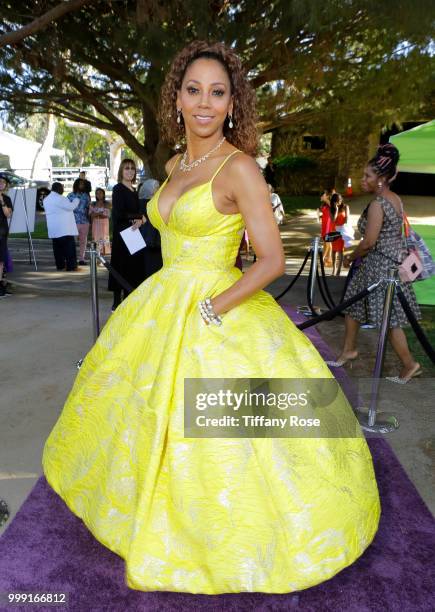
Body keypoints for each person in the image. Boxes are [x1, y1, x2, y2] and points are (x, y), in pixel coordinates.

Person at [42, 41, 380, 595]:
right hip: (158, 304)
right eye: (193, 90)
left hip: (217, 310)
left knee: (230, 439)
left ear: (232, 103)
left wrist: (214, 307)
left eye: (217, 93)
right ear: (176, 97)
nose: (204, 103)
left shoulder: (240, 167)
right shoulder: (176, 163)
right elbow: (165, 233)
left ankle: (220, 539)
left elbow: (271, 260)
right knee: (136, 417)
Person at [327, 143, 422, 383]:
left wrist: (351, 256)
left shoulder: (379, 204)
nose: (363, 179)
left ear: (380, 178)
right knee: (354, 307)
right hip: (388, 264)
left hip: (379, 266)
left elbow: (369, 241)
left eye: (367, 175)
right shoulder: (394, 199)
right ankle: (349, 349)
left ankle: (409, 364)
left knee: (387, 320)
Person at [108, 159, 146, 311]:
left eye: (132, 168)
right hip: (122, 234)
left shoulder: (134, 191)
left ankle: (130, 301)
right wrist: (140, 217)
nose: (130, 171)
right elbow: (120, 213)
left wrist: (140, 220)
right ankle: (117, 302)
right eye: (126, 168)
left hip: (134, 233)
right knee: (120, 266)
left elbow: (137, 214)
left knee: (134, 268)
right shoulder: (118, 189)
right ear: (121, 171)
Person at [44, 182, 80, 272]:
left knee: (58, 250)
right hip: (64, 229)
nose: (63, 190)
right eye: (62, 188)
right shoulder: (60, 199)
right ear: (59, 189)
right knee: (69, 250)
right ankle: (71, 267)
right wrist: (76, 200)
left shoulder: (46, 199)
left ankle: (60, 266)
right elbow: (71, 207)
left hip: (54, 229)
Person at [68, 178, 90, 265]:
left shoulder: (86, 196)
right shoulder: (70, 195)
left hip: (84, 221)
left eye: (83, 184)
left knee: (83, 241)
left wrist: (90, 220)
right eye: (80, 184)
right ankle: (72, 259)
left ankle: (82, 259)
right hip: (73, 222)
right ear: (76, 184)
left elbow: (88, 208)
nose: (82, 185)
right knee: (71, 241)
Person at [330, 192, 349, 276]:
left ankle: (339, 270)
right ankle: (334, 269)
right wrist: (336, 210)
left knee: (340, 250)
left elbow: (347, 219)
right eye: (337, 201)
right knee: (333, 250)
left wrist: (345, 219)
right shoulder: (331, 209)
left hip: (342, 231)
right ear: (334, 202)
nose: (339, 202)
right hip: (334, 231)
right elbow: (333, 220)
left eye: (340, 200)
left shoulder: (346, 207)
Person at [0, 175, 13, 298]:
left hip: (2, 232)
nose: (1, 184)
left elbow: (8, 215)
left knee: (1, 259)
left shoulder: (7, 199)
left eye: (3, 182)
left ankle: (1, 285)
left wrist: (2, 201)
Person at [89, 188, 111, 257]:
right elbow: (91, 214)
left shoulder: (107, 203)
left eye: (100, 193)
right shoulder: (93, 203)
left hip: (104, 223)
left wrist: (96, 213)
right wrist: (100, 213)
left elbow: (107, 215)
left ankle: (103, 256)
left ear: (103, 194)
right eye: (97, 193)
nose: (99, 195)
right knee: (96, 238)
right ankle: (97, 255)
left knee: (104, 238)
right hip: (95, 224)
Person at [317, 188, 334, 266]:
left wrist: (327, 198)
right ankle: (329, 260)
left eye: (322, 195)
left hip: (328, 225)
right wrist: (320, 215)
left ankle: (323, 258)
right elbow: (326, 214)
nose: (321, 196)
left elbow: (333, 209)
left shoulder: (330, 203)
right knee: (327, 242)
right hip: (324, 224)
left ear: (327, 196)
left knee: (327, 242)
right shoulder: (324, 204)